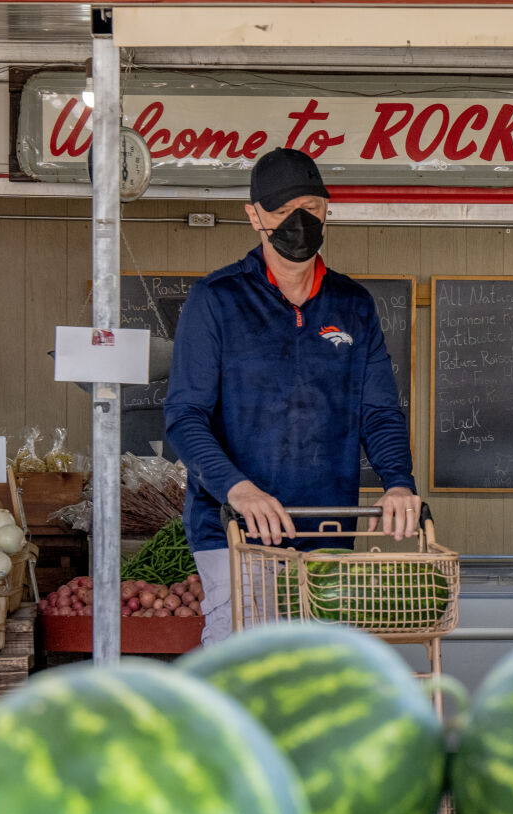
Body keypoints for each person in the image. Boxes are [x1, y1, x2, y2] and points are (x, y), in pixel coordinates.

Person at [165, 147, 420, 643]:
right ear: (254, 215)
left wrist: (398, 481)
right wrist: (239, 490)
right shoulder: (216, 299)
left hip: (328, 530)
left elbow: (379, 411)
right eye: (283, 212)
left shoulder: (353, 304)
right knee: (247, 663)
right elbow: (184, 416)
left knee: (318, 671)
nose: (299, 223)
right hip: (234, 530)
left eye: (313, 209)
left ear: (327, 212)